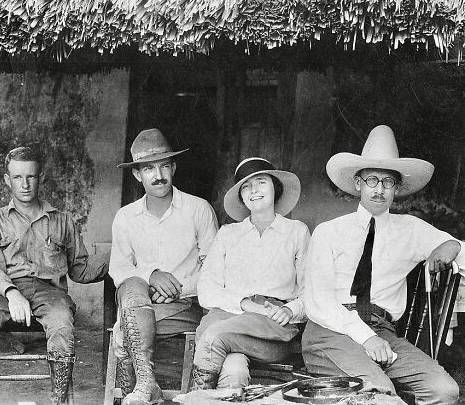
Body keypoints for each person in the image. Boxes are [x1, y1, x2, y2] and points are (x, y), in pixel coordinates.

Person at [302, 125, 462, 404]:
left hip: (382, 331)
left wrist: (453, 246)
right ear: (357, 184)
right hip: (331, 332)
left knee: (444, 390)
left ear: (397, 188)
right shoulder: (328, 231)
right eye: (372, 180)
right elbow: (320, 301)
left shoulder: (410, 229)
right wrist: (366, 338)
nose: (379, 190)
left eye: (388, 182)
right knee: (379, 393)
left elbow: (458, 249)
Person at [0, 146, 108, 405]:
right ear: (8, 180)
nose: (25, 184)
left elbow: (80, 269)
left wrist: (119, 261)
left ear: (41, 177)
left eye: (31, 176)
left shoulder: (62, 221)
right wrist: (12, 293)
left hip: (48, 293)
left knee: (62, 320)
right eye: (18, 177)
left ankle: (59, 399)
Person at [109, 128, 219, 405]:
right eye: (148, 169)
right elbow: (118, 269)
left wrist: (177, 288)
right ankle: (147, 383)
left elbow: (216, 270)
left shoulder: (198, 209)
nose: (158, 175)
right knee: (133, 284)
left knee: (125, 329)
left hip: (186, 305)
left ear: (174, 168)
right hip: (140, 302)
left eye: (164, 166)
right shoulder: (125, 217)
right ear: (137, 175)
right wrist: (151, 276)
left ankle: (138, 391)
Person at [191, 157, 310, 394]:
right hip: (225, 316)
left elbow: (312, 290)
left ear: (275, 188)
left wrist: (289, 310)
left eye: (261, 182)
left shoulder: (296, 231)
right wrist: (247, 305)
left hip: (272, 328)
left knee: (213, 337)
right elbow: (206, 289)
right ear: (241, 197)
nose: (253, 190)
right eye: (246, 186)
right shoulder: (228, 234)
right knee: (233, 368)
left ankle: (195, 398)